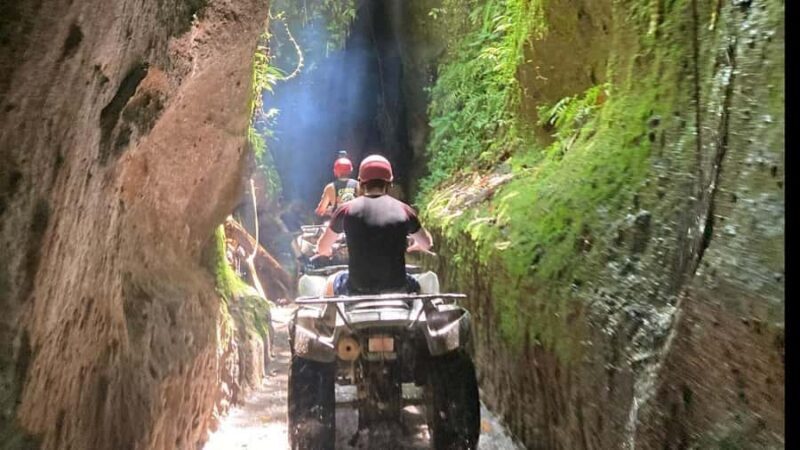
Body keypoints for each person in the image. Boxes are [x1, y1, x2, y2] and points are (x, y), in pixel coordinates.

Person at [316, 154, 433, 295]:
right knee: (427, 281)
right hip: (397, 286)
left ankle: (328, 317)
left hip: (356, 288)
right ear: (390, 182)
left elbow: (322, 247)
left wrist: (326, 251)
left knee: (331, 281)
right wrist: (417, 245)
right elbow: (426, 243)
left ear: (361, 182)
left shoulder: (345, 209)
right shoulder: (404, 209)